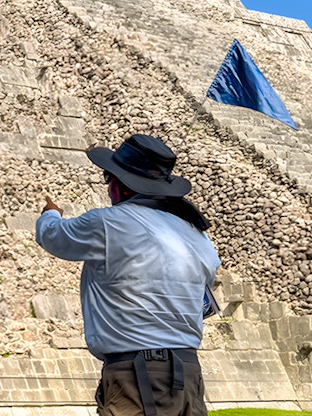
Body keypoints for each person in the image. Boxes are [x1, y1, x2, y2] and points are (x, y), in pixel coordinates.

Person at [35, 134, 220, 416]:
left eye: (109, 179)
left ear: (120, 186)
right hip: (188, 371)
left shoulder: (110, 222)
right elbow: (203, 301)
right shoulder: (197, 235)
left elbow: (54, 237)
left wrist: (51, 214)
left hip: (139, 372)